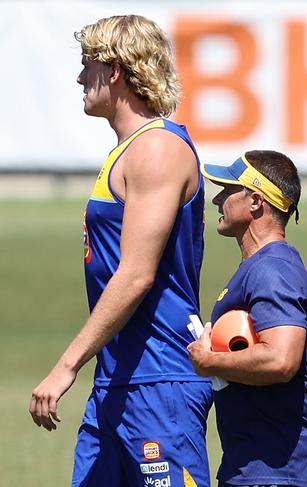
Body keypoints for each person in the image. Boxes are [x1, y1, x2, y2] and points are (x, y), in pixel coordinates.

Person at [28, 15, 212, 487]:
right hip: (116, 381)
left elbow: (135, 276)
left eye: (88, 64)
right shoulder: (127, 149)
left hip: (158, 380)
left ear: (116, 71)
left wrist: (65, 366)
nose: (79, 77)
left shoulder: (158, 149)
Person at [187, 150, 307, 487]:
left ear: (255, 202)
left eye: (227, 190)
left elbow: (280, 359)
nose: (217, 199)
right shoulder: (263, 267)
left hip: (279, 470)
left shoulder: (272, 270)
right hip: (262, 466)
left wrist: (208, 361)